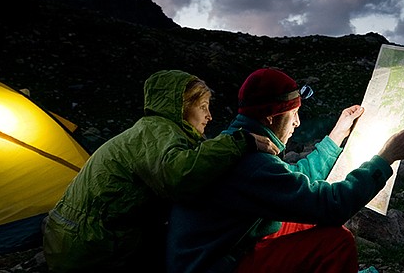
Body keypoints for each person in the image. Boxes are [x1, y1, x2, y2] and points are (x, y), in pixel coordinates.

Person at [167, 68, 404, 273]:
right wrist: (385, 158)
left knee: (299, 222)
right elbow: (330, 206)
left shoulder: (236, 143)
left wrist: (336, 136)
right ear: (271, 117)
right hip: (213, 266)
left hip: (220, 251)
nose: (297, 123)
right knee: (336, 242)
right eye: (293, 114)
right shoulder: (251, 163)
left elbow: (289, 180)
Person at [42, 69, 278, 273]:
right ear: (182, 107)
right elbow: (179, 175)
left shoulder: (158, 132)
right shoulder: (156, 131)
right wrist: (240, 142)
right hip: (89, 248)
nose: (209, 116)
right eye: (203, 107)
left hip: (76, 238)